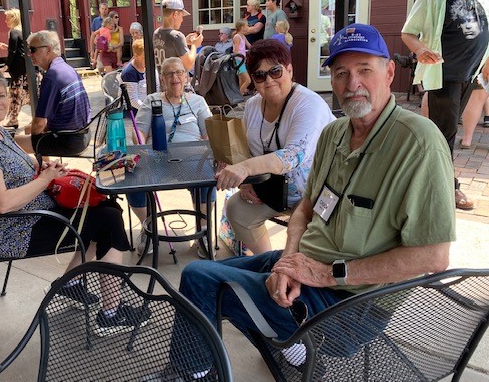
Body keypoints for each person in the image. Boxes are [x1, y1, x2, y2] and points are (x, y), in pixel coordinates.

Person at [173, 23, 455, 378]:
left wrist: (324, 273)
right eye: (341, 73)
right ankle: (291, 350)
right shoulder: (335, 133)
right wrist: (288, 261)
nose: (352, 84)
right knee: (205, 273)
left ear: (389, 72)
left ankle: (192, 374)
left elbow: (434, 257)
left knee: (203, 282)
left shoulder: (419, 143)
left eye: (364, 70)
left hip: (349, 304)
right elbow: (306, 209)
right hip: (306, 266)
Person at [0, 66, 147, 336]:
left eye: (2, 95)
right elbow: (0, 204)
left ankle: (69, 285)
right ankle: (110, 314)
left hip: (33, 214)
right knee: (108, 220)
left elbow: (15, 165)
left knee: (103, 207)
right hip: (15, 231)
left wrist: (43, 169)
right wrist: (44, 180)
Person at [215, 39, 334, 255]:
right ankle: (267, 260)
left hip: (316, 193)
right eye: (260, 75)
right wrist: (246, 183)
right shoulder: (253, 105)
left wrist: (245, 169)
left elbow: (293, 156)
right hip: (273, 191)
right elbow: (246, 150)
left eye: (275, 71)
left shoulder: (309, 103)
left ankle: (292, 266)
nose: (269, 80)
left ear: (290, 70)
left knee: (300, 234)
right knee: (237, 210)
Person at [401, 0, 489, 211]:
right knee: (445, 133)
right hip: (444, 74)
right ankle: (448, 187)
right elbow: (408, 33)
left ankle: (426, 175)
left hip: (471, 73)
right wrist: (420, 50)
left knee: (446, 131)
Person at [128, 57, 213, 258]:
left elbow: (209, 132)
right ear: (162, 79)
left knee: (208, 176)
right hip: (157, 158)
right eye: (169, 74)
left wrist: (207, 153)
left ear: (186, 76)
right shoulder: (152, 100)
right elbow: (139, 131)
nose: (175, 77)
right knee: (133, 180)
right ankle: (147, 227)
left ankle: (203, 231)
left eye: (179, 72)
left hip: (193, 159)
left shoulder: (197, 101)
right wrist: (141, 147)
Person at [14, 30, 91, 156]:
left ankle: (41, 166)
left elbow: (39, 123)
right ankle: (45, 165)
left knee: (9, 142)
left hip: (68, 141)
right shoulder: (66, 68)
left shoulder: (52, 76)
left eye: (33, 50)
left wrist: (35, 140)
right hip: (84, 135)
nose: (29, 54)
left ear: (48, 49)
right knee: (30, 129)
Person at [0, 8, 28, 128]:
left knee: (15, 94)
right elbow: (19, 48)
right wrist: (7, 46)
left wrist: (6, 66)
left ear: (14, 18)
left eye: (7, 18)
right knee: (27, 94)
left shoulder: (13, 32)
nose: (5, 21)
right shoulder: (22, 31)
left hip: (18, 70)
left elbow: (13, 51)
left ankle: (13, 120)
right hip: (26, 69)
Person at [153, 0, 203, 73]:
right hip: (175, 79)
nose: (182, 20)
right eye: (181, 15)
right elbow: (189, 64)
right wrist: (194, 45)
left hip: (162, 78)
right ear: (175, 14)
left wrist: (184, 41)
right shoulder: (177, 36)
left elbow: (168, 46)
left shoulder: (156, 33)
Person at [120, 38, 158, 114]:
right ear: (136, 56)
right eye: (144, 57)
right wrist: (149, 110)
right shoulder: (129, 73)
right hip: (135, 110)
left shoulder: (150, 66)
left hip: (150, 104)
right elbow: (133, 100)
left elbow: (157, 86)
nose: (149, 59)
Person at [232, 19, 252, 94]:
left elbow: (249, 45)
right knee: (248, 80)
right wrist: (242, 58)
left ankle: (240, 95)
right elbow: (236, 51)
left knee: (242, 80)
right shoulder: (237, 37)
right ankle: (239, 95)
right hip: (239, 61)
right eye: (247, 26)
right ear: (242, 27)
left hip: (242, 61)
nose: (248, 27)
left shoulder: (243, 36)